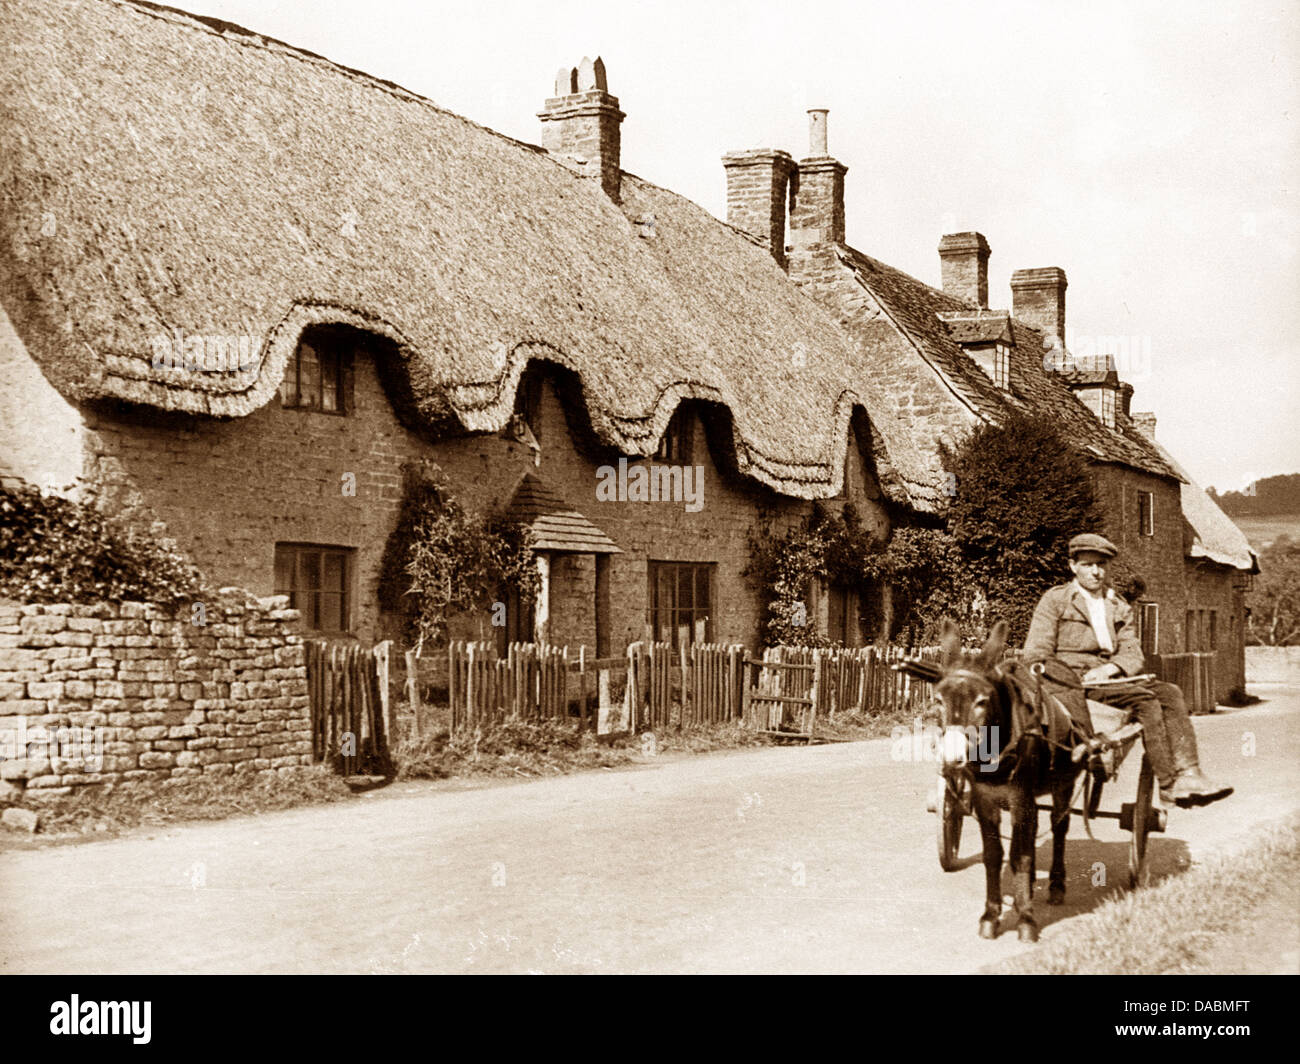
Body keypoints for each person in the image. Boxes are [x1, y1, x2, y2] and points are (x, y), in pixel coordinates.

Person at [1023, 533, 1232, 807]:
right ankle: (1168, 785)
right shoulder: (1057, 600)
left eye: (1101, 565)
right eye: (1088, 564)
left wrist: (1110, 669)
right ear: (1072, 566)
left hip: (1110, 681)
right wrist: (1069, 677)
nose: (1096, 572)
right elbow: (1037, 653)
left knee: (1170, 693)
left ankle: (1189, 773)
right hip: (1070, 685)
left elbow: (1133, 652)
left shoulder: (1118, 605)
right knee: (1146, 702)